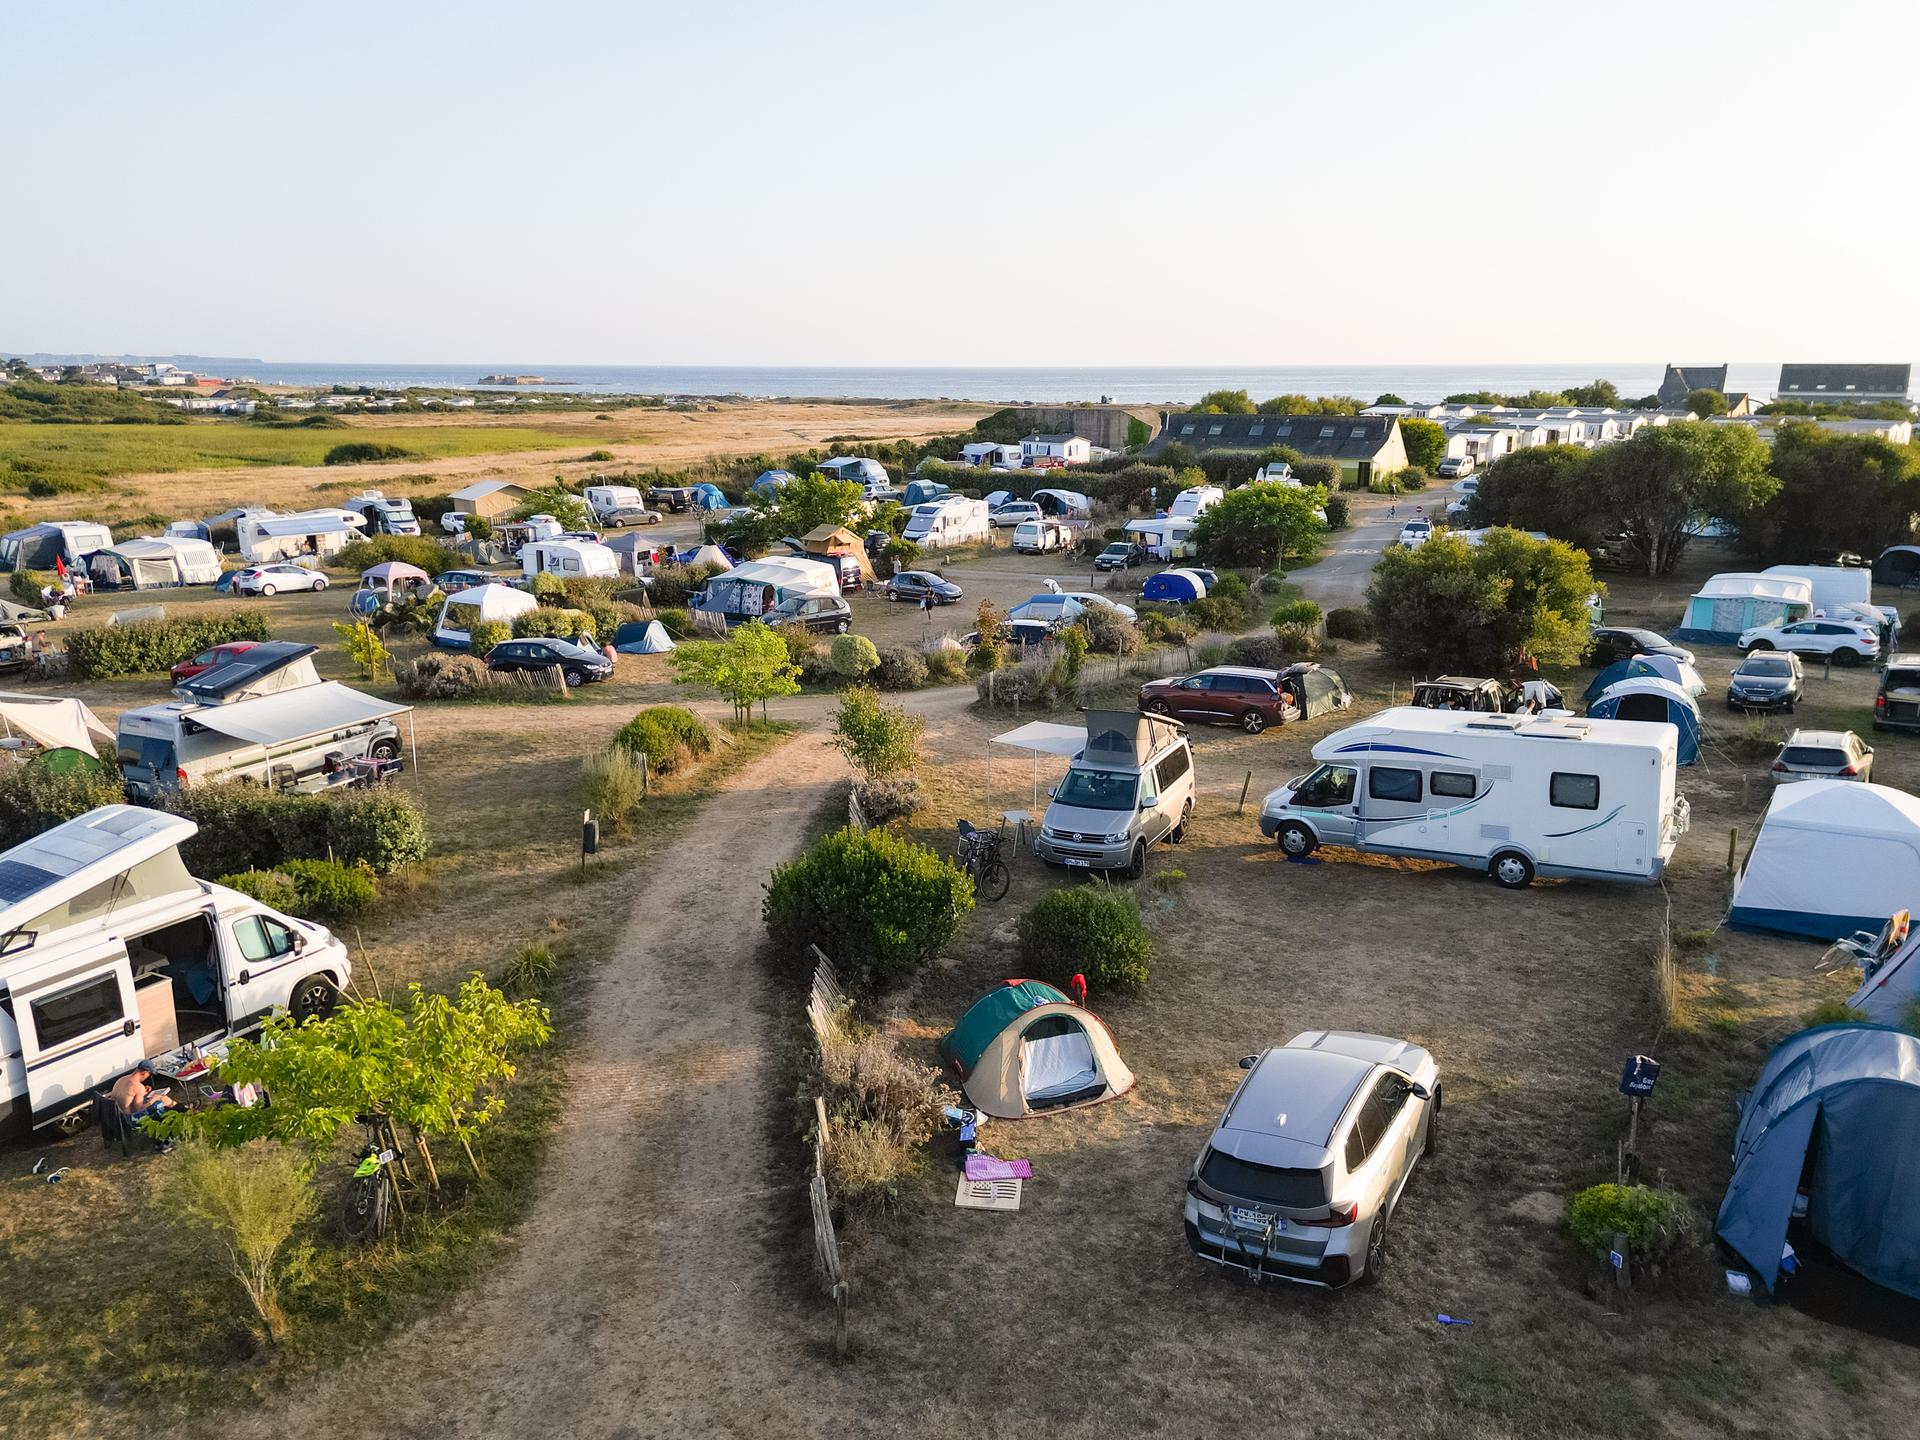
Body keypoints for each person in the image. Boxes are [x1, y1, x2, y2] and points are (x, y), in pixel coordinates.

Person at [111, 1062, 180, 1128]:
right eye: (149, 1074)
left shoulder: (121, 1079)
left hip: (117, 1115)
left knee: (151, 1101)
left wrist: (143, 1093)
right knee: (160, 1104)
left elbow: (127, 1097)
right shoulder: (138, 1087)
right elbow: (139, 1109)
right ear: (144, 1073)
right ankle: (166, 1125)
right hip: (130, 1119)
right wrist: (153, 1100)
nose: (148, 1077)